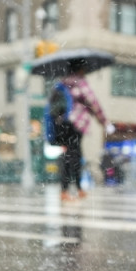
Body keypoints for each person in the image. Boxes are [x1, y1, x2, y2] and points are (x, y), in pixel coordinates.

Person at [57, 60, 114, 202]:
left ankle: (69, 189)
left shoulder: (63, 83)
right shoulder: (80, 82)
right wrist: (104, 122)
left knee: (68, 156)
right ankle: (72, 189)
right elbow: (93, 102)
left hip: (63, 123)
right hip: (76, 123)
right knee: (74, 157)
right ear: (80, 69)